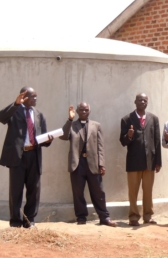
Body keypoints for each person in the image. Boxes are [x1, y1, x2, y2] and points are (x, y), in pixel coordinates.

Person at [0, 87, 53, 228]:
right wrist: (15, 104)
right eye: (32, 96)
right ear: (23, 97)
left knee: (34, 190)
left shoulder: (39, 115)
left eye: (36, 96)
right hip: (18, 156)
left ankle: (29, 221)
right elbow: (2, 117)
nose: (35, 99)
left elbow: (44, 138)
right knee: (16, 191)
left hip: (34, 155)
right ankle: (16, 222)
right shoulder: (14, 111)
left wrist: (48, 139)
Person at [60, 103, 117, 227]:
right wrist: (70, 119)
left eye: (86, 110)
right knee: (78, 192)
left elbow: (100, 146)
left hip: (93, 163)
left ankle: (104, 217)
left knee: (98, 192)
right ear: (77, 111)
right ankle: (81, 217)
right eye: (81, 110)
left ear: (89, 111)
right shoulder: (72, 125)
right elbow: (64, 136)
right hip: (77, 163)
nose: (84, 112)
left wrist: (102, 164)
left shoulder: (96, 126)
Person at [120, 93, 162, 226]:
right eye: (140, 100)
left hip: (150, 161)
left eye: (145, 100)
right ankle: (133, 217)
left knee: (148, 190)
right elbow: (123, 141)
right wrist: (129, 136)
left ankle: (148, 216)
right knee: (133, 191)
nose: (142, 102)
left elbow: (156, 141)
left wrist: (158, 161)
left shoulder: (153, 118)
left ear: (147, 102)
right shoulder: (127, 119)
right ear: (135, 102)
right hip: (133, 162)